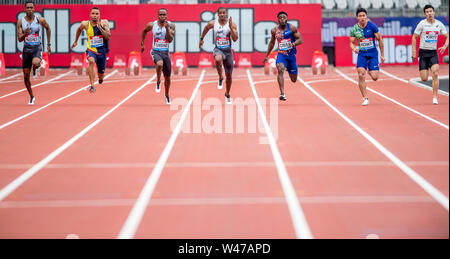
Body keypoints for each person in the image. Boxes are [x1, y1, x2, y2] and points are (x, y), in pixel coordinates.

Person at [199, 7, 238, 104]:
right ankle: (220, 77)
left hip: (228, 51)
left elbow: (235, 39)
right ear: (217, 14)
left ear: (226, 14)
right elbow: (206, 28)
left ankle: (227, 93)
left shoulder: (232, 24)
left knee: (229, 75)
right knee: (218, 59)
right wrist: (201, 38)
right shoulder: (213, 23)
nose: (222, 15)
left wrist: (231, 28)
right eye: (220, 13)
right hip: (218, 49)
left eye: (223, 13)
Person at [412, 4, 449, 105]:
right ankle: (424, 68)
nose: (429, 13)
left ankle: (435, 97)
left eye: (431, 11)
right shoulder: (422, 24)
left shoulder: (439, 24)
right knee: (424, 78)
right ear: (425, 14)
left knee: (435, 73)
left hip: (433, 53)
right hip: (423, 53)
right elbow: (414, 37)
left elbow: (447, 36)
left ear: (434, 12)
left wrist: (445, 46)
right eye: (427, 12)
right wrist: (414, 52)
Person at [17, 0, 51, 105]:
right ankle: (31, 96)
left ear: (34, 9)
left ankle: (35, 67)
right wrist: (25, 33)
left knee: (36, 63)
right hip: (26, 49)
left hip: (37, 47)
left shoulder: (40, 20)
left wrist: (48, 45)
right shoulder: (20, 21)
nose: (30, 9)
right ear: (25, 9)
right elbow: (19, 39)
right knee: (26, 76)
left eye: (31, 7)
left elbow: (48, 28)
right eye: (28, 8)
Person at [263, 11, 302, 101]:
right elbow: (272, 43)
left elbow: (300, 40)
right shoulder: (274, 30)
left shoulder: (292, 28)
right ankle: (282, 93)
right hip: (281, 54)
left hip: (291, 56)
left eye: (284, 17)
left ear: (287, 18)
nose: (282, 19)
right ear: (277, 19)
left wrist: (293, 44)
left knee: (294, 79)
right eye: (280, 17)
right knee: (280, 69)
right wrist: (267, 55)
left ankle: (289, 68)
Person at [349, 8, 385, 106]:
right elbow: (351, 43)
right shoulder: (354, 29)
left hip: (373, 54)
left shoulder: (372, 26)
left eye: (364, 16)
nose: (362, 18)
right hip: (362, 54)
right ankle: (365, 98)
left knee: (375, 77)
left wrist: (382, 55)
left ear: (366, 16)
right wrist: (354, 49)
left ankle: (370, 70)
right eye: (360, 16)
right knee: (360, 74)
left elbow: (380, 40)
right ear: (357, 17)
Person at [71, 7, 111, 93]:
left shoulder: (104, 23)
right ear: (90, 15)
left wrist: (100, 28)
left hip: (102, 52)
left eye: (97, 14)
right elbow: (79, 29)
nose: (95, 16)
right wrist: (75, 41)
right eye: (93, 14)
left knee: (101, 75)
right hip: (91, 49)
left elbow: (108, 37)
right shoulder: (85, 24)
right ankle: (92, 85)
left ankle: (100, 78)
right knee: (91, 61)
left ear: (99, 15)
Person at [141, 8, 175, 105]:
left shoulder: (171, 25)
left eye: (164, 15)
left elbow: (170, 40)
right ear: (158, 15)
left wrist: (167, 29)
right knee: (159, 64)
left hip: (166, 53)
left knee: (168, 78)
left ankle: (167, 95)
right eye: (160, 15)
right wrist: (142, 43)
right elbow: (144, 31)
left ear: (166, 16)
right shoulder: (152, 25)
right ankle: (158, 81)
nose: (162, 17)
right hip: (155, 51)